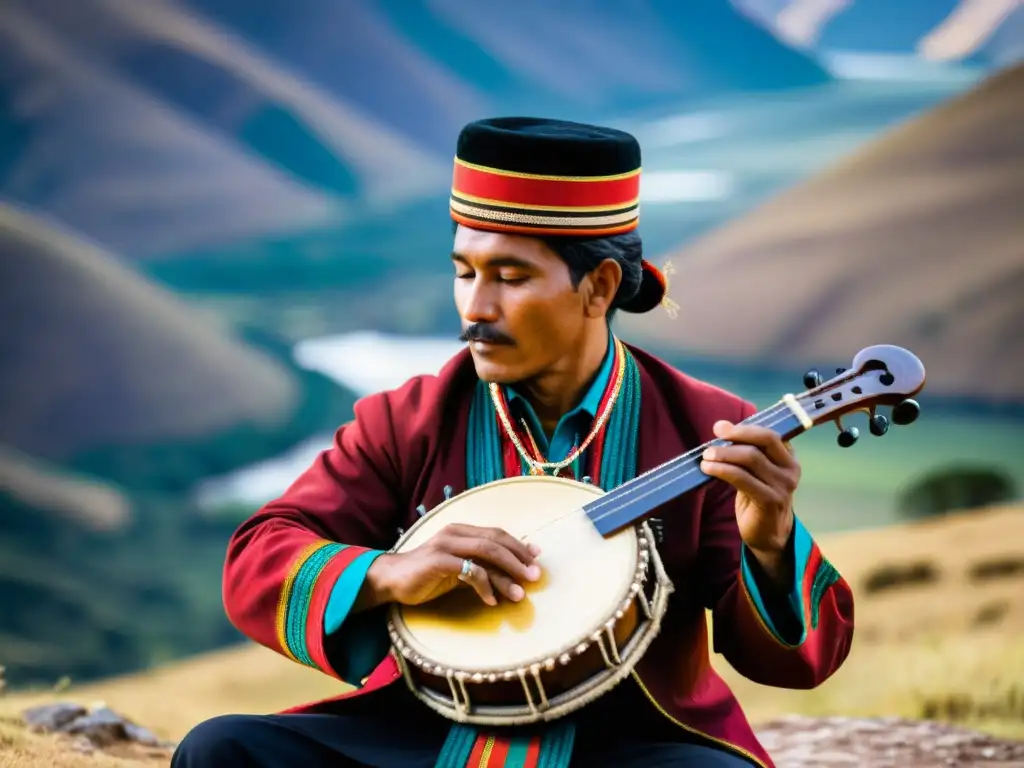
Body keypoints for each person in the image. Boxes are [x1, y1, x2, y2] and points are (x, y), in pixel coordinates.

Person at [172, 117, 854, 768]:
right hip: (426, 730)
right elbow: (259, 557)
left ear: (600, 286)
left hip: (623, 738)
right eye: (465, 272)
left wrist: (770, 540)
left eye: (510, 276)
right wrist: (384, 574)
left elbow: (796, 662)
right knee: (222, 751)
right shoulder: (405, 419)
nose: (475, 306)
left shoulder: (708, 426)